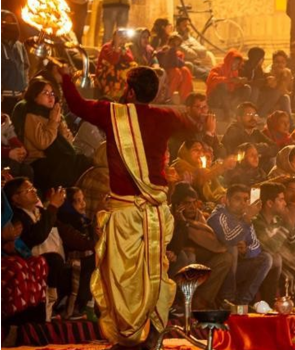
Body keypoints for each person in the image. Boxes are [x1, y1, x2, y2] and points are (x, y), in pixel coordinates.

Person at [58, 64, 197, 348]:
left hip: (125, 215)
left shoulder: (113, 113)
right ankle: (154, 330)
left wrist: (65, 77)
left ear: (130, 91)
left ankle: (127, 335)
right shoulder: (167, 115)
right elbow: (193, 127)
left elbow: (76, 105)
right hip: (157, 212)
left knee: (122, 276)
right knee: (154, 271)